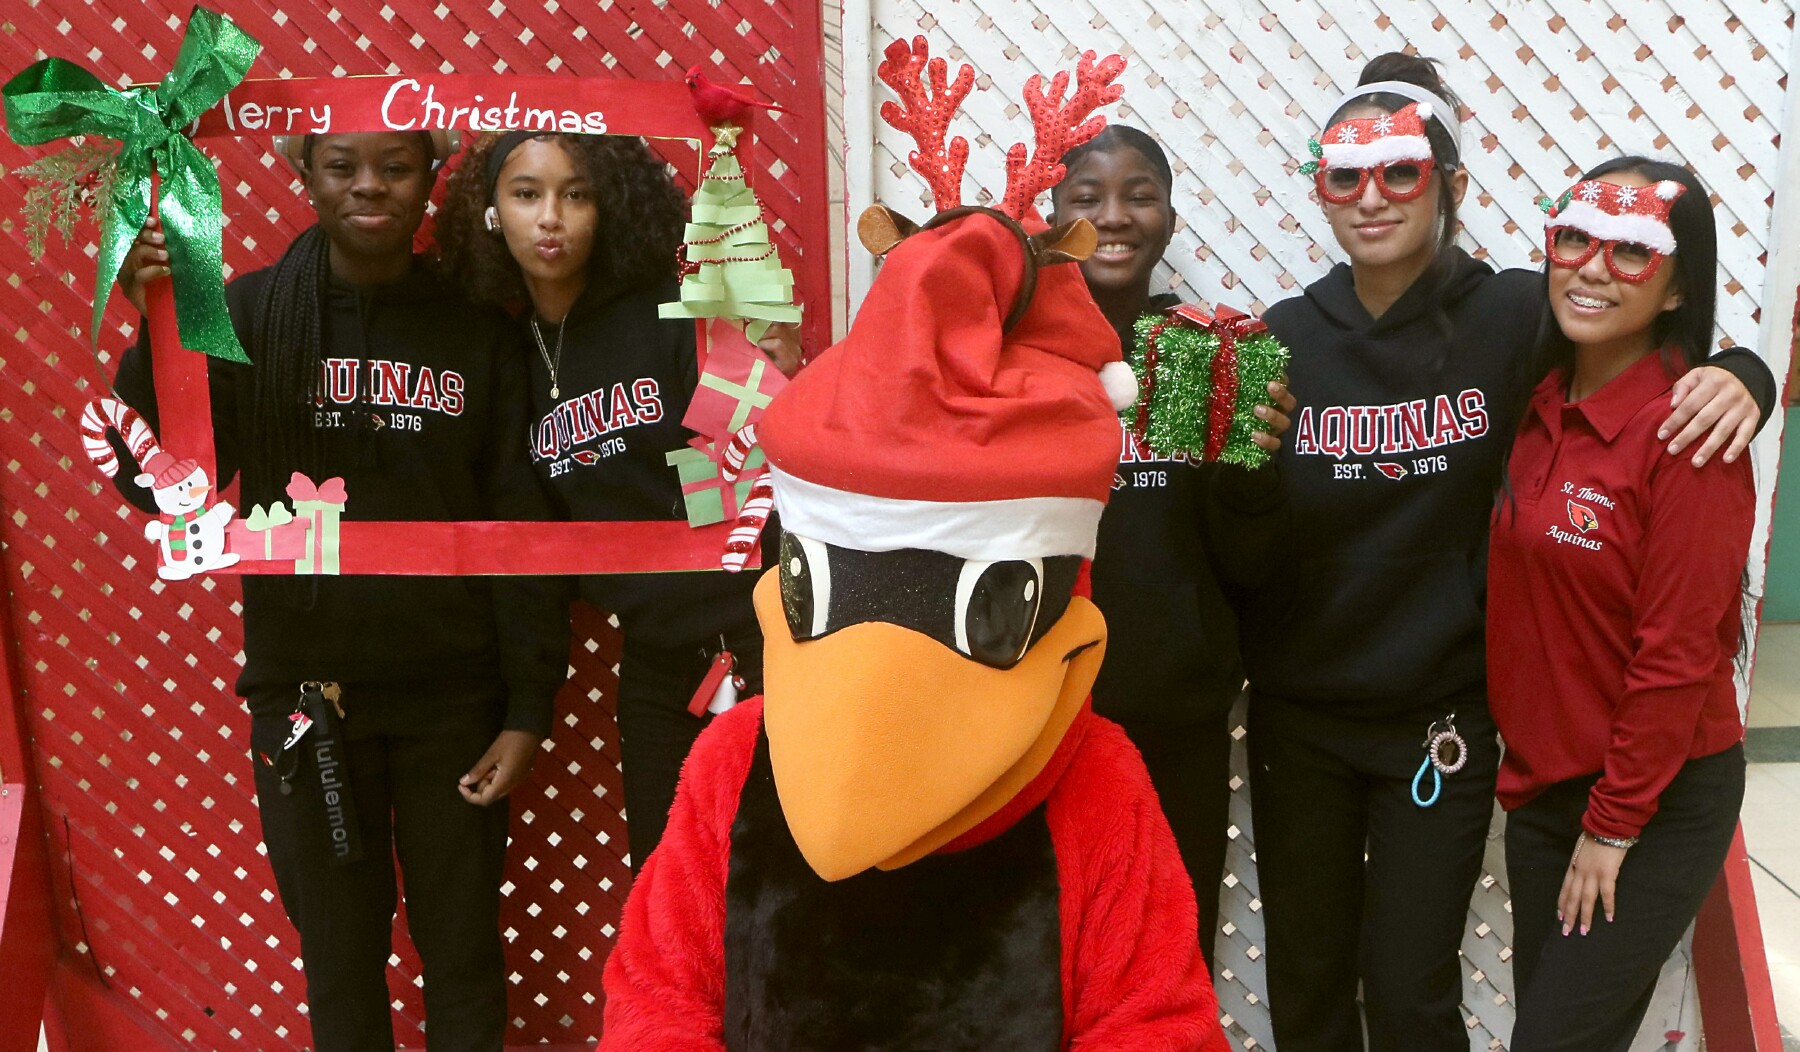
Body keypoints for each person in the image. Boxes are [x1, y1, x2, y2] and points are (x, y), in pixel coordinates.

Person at [1243, 54, 1774, 1051]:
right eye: (1345, 174)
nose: (1372, 196)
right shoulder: (1280, 339)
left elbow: (1650, 342)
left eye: (1401, 171)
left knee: (1413, 995)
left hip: (1443, 723)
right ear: (1319, 185)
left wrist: (1746, 371)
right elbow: (1248, 537)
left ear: (1450, 185)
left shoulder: (1516, 316)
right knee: (1310, 987)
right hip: (1310, 718)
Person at [110, 130, 569, 1051]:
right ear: (305, 175)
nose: (369, 187)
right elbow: (163, 483)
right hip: (303, 693)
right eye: (342, 167)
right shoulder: (247, 313)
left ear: (429, 178)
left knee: (463, 953)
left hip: (454, 696)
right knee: (339, 957)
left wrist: (527, 706)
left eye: (395, 169)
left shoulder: (478, 325)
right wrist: (155, 327)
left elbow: (521, 520)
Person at [435, 130, 796, 868]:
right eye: (527, 194)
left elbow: (766, 471)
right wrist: (527, 707)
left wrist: (775, 379)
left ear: (610, 207)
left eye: (576, 194)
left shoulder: (675, 314)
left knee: (781, 880)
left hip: (767, 642)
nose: (551, 217)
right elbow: (532, 545)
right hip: (658, 665)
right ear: (491, 213)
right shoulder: (506, 356)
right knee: (668, 887)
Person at [1489, 159, 1754, 1051]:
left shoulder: (1690, 433)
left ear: (1677, 287)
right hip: (1544, 785)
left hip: (1655, 797)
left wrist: (1613, 827)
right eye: (1575, 239)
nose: (1594, 268)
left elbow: (1679, 653)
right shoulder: (1534, 397)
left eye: (1632, 250)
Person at [1048, 125, 1294, 962]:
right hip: (1038, 721)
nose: (1115, 215)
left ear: (1171, 219)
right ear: (1054, 218)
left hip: (1178, 720)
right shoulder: (1025, 355)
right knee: (1048, 956)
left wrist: (1253, 468)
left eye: (1140, 195)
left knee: (1167, 958)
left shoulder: (1195, 354)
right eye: (1088, 197)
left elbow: (1248, 563)